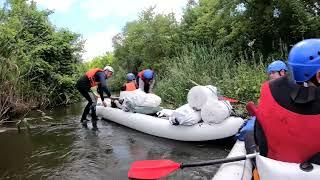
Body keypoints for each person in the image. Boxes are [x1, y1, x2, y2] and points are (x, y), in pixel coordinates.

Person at [254, 39, 320, 163]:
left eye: (273, 73)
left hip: (275, 166)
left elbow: (260, 136)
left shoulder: (268, 89)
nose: (271, 75)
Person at [76, 66, 114, 130]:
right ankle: (86, 119)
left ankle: (91, 118)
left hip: (86, 86)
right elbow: (104, 86)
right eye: (110, 73)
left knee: (93, 101)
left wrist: (103, 100)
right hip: (82, 85)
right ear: (106, 71)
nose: (110, 76)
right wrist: (110, 96)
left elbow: (100, 89)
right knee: (92, 102)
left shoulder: (100, 77)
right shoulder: (101, 74)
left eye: (111, 74)